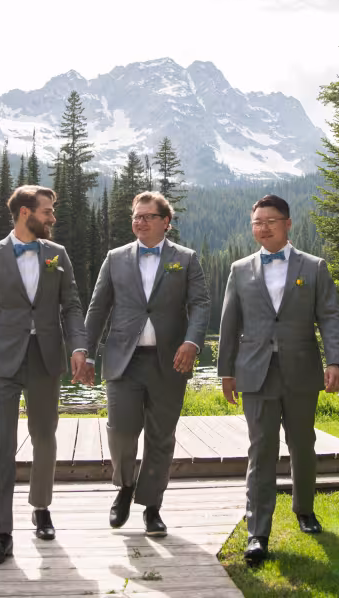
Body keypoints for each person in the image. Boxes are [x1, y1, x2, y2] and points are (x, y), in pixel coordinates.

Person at [217, 194, 339, 566]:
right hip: (255, 372)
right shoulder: (240, 269)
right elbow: (229, 325)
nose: (263, 227)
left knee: (303, 443)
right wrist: (227, 371)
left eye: (270, 221)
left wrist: (335, 361)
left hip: (302, 371)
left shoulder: (315, 266)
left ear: (288, 224)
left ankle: (304, 509)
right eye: (257, 222)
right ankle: (258, 532)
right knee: (261, 450)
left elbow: (331, 317)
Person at [0, 185, 87, 567]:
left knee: (44, 436)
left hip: (45, 359)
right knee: (1, 446)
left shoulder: (58, 255)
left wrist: (78, 347)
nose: (52, 217)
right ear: (25, 212)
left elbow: (70, 305)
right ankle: (3, 533)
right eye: (47, 211)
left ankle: (41, 507)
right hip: (0, 362)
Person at [84, 191, 210, 537]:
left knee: (160, 436)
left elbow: (200, 305)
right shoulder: (115, 258)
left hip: (169, 362)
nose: (139, 222)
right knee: (121, 430)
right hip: (123, 360)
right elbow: (98, 309)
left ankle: (152, 506)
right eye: (136, 217)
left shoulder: (185, 260)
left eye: (147, 217)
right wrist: (86, 351)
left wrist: (192, 342)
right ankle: (125, 487)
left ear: (165, 222)